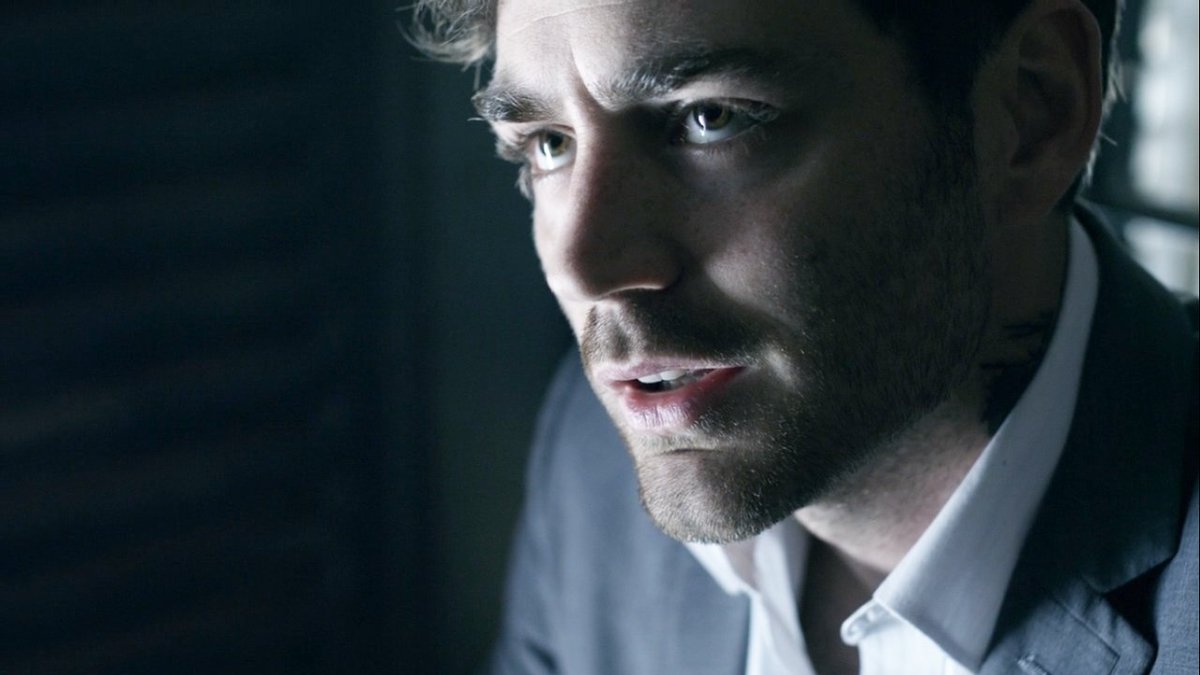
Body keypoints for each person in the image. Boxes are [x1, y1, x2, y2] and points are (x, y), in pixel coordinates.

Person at [411, 0, 1198, 672]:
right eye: (548, 143)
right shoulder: (596, 461)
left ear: (1031, 114)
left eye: (710, 118)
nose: (588, 266)